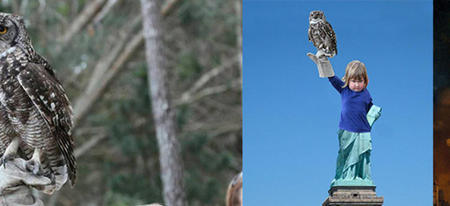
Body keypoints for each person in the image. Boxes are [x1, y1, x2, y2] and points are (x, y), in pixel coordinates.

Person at [308, 54, 381, 187]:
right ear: (348, 80)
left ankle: (360, 177)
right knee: (345, 155)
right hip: (347, 130)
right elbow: (331, 77)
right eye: (354, 81)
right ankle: (344, 176)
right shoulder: (344, 90)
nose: (357, 84)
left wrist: (375, 113)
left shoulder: (366, 94)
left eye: (360, 81)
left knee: (362, 157)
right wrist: (323, 61)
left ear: (365, 81)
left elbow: (371, 109)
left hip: (363, 130)